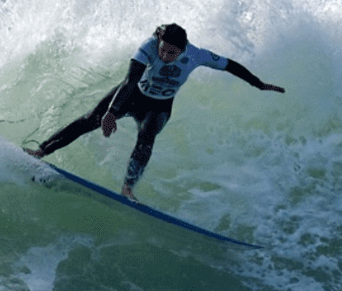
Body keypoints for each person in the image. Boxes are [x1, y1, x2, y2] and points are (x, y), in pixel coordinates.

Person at [26, 23, 285, 202]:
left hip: (159, 106)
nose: (165, 55)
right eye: (163, 49)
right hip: (133, 95)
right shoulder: (148, 47)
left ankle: (127, 189)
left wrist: (258, 84)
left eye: (172, 52)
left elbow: (230, 66)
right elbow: (129, 81)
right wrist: (111, 113)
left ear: (183, 49)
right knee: (89, 120)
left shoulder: (197, 55)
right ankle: (41, 151)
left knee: (147, 139)